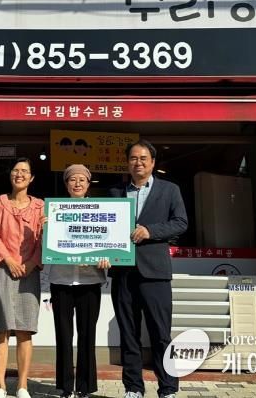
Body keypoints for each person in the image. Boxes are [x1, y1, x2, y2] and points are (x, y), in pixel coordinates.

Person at [109, 140, 188, 398]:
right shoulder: (115, 192)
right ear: (127, 163)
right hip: (123, 273)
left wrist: (150, 231)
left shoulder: (170, 190)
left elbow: (180, 223)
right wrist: (103, 254)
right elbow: (106, 230)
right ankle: (133, 387)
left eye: (143, 158)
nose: (138, 163)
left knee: (161, 333)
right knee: (128, 334)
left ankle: (168, 388)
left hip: (155, 272)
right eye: (133, 158)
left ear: (153, 163)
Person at [0, 157, 45, 398]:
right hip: (2, 269)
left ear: (31, 178)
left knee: (24, 330)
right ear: (10, 175)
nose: (19, 174)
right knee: (1, 329)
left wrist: (30, 263)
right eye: (15, 170)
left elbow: (44, 238)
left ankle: (22, 386)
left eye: (24, 171)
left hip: (29, 272)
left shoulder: (40, 206)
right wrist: (9, 260)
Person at [49, 164, 110, 398]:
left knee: (87, 335)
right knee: (63, 335)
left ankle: (85, 387)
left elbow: (109, 241)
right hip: (61, 280)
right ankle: (65, 387)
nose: (77, 183)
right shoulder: (54, 211)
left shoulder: (101, 212)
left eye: (82, 180)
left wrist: (108, 256)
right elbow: (47, 243)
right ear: (66, 184)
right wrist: (45, 229)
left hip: (90, 281)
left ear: (88, 184)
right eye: (72, 179)